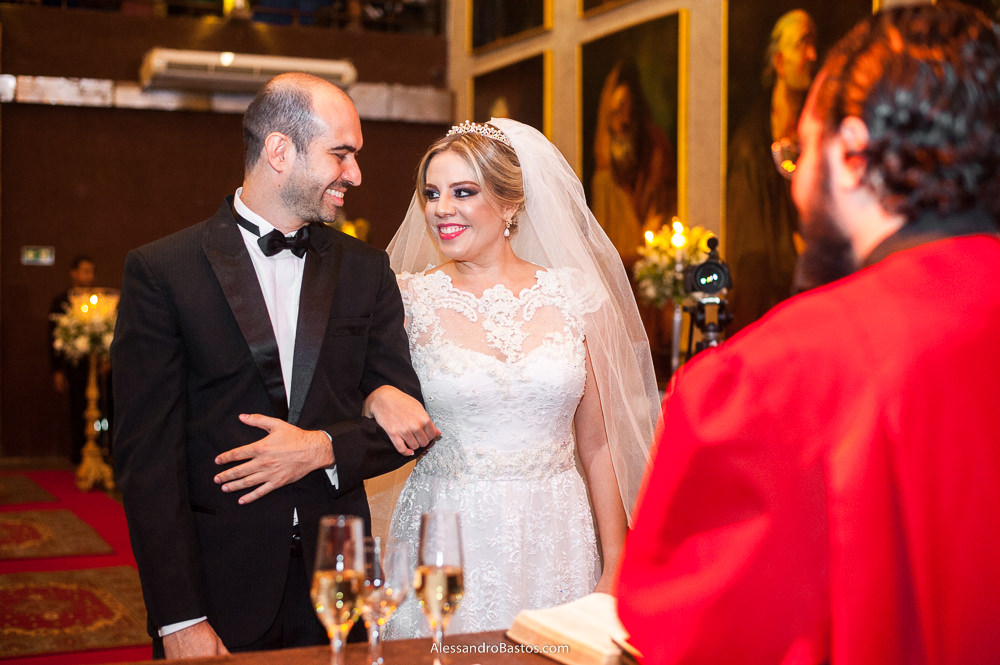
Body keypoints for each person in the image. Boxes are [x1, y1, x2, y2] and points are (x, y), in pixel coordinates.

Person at [617, 3, 1000, 663]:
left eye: (798, 154)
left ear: (852, 154)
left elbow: (695, 642)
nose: (795, 191)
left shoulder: (767, 381)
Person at [111, 73, 437, 659]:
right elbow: (147, 464)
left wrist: (320, 448)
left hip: (339, 586)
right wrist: (179, 618)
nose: (356, 174)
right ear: (280, 151)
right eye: (341, 153)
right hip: (217, 588)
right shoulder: (164, 272)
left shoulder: (367, 271)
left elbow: (407, 430)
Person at [373, 118, 661, 637]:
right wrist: (375, 397)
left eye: (463, 192)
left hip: (556, 533)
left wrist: (616, 567)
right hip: (446, 535)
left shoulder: (575, 296)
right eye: (432, 193)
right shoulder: (405, 299)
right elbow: (350, 389)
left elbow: (599, 444)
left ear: (509, 204)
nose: (441, 208)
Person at [726, 9, 817, 332]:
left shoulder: (818, 129)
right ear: (779, 61)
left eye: (814, 43)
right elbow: (750, 253)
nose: (812, 55)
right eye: (803, 44)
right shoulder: (750, 143)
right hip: (767, 311)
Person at [591, 60, 677, 265]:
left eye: (625, 107)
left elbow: (664, 199)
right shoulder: (604, 175)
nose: (621, 121)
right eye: (614, 113)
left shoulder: (655, 146)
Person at [50, 254, 97, 464]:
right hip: (74, 364)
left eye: (91, 272)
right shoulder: (61, 301)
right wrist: (57, 370)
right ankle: (79, 451)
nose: (89, 276)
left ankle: (99, 448)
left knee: (98, 405)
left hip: (95, 364)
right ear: (74, 273)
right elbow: (54, 337)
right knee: (77, 406)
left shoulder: (98, 300)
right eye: (85, 271)